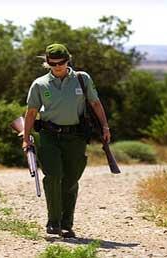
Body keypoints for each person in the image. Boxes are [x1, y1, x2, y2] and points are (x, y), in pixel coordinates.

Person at [22, 43, 111, 238]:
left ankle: (66, 223)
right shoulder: (39, 84)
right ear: (47, 63)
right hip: (49, 135)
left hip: (76, 136)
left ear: (68, 60)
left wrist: (105, 126)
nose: (58, 66)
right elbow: (31, 112)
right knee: (53, 176)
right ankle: (53, 222)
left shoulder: (82, 79)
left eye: (61, 62)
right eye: (53, 64)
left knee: (71, 179)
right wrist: (26, 138)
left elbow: (95, 103)